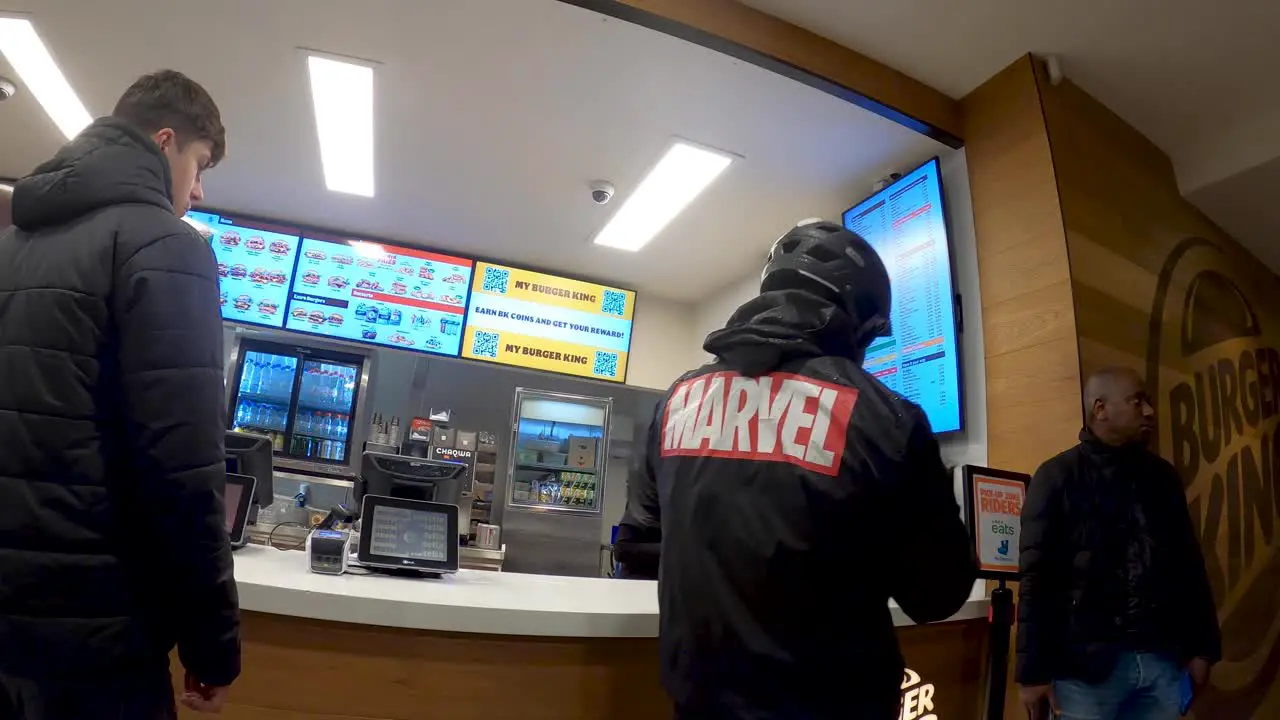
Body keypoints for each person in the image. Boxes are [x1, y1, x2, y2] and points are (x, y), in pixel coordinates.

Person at [618, 220, 977, 719]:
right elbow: (937, 595)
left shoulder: (678, 399)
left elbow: (635, 544)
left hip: (699, 700)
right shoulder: (886, 419)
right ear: (863, 323)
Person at [0, 70, 239, 718]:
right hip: (98, 646)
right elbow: (184, 475)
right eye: (198, 164)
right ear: (165, 142)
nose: (198, 189)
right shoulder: (167, 247)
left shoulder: (12, 245)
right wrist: (212, 645)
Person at [1016, 367, 1221, 720]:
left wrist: (1204, 648)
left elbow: (1189, 567)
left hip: (1161, 662)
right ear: (1100, 409)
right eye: (1137, 401)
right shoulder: (1057, 476)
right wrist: (1031, 673)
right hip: (1084, 671)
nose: (1149, 412)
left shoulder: (1163, 478)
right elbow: (1036, 580)